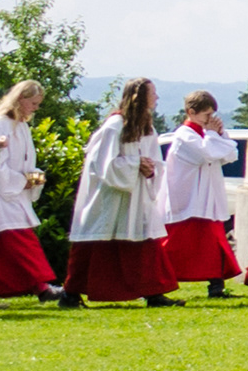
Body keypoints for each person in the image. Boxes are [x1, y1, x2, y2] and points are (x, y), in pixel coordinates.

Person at [62, 79, 180, 309]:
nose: (156, 98)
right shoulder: (115, 126)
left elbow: (154, 159)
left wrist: (148, 168)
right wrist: (136, 164)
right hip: (110, 197)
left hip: (136, 195)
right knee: (96, 241)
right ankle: (71, 294)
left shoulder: (146, 126)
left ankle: (154, 292)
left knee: (145, 241)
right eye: (152, 94)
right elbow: (102, 164)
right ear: (139, 97)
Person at [0, 80, 59, 303]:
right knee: (19, 242)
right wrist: (21, 180)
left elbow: (24, 161)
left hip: (15, 192)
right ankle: (41, 287)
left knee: (9, 246)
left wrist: (33, 177)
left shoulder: (21, 126)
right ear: (20, 99)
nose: (36, 108)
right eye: (33, 103)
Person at [160, 91, 243, 297]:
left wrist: (221, 134)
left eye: (212, 114)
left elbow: (230, 154)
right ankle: (155, 282)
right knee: (175, 246)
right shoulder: (185, 135)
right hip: (188, 201)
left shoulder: (205, 134)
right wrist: (214, 136)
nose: (210, 120)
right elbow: (207, 153)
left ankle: (216, 285)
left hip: (207, 198)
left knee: (214, 245)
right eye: (206, 115)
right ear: (191, 112)